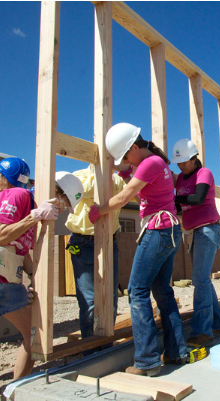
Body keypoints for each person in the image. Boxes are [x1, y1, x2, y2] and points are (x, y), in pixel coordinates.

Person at [90, 123, 186, 377]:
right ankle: (177, 352)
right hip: (168, 229)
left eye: (124, 155)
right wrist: (117, 167)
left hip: (158, 229)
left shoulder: (149, 163)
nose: (124, 161)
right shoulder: (154, 162)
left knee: (137, 290)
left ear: (134, 147)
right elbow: (136, 182)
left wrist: (98, 210)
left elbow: (123, 198)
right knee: (162, 289)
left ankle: (147, 361)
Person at [0, 158, 69, 379]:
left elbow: (19, 252)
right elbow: (1, 236)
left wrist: (33, 278)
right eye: (64, 201)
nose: (63, 207)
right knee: (33, 336)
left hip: (8, 280)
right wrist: (35, 217)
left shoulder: (27, 202)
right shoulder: (16, 195)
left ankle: (13, 391)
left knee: (32, 336)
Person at [172, 138, 220, 346]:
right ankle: (219, 324)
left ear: (194, 158)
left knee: (199, 280)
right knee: (202, 279)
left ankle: (203, 331)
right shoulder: (180, 179)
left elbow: (197, 198)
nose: (181, 166)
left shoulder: (204, 173)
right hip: (194, 232)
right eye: (178, 163)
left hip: (208, 229)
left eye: (184, 162)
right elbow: (180, 206)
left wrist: (175, 199)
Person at [65, 166, 129, 342]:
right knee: (89, 299)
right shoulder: (78, 175)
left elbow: (128, 194)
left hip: (109, 240)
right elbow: (85, 190)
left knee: (111, 296)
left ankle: (105, 344)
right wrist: (102, 175)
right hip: (83, 242)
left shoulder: (117, 180)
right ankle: (89, 347)